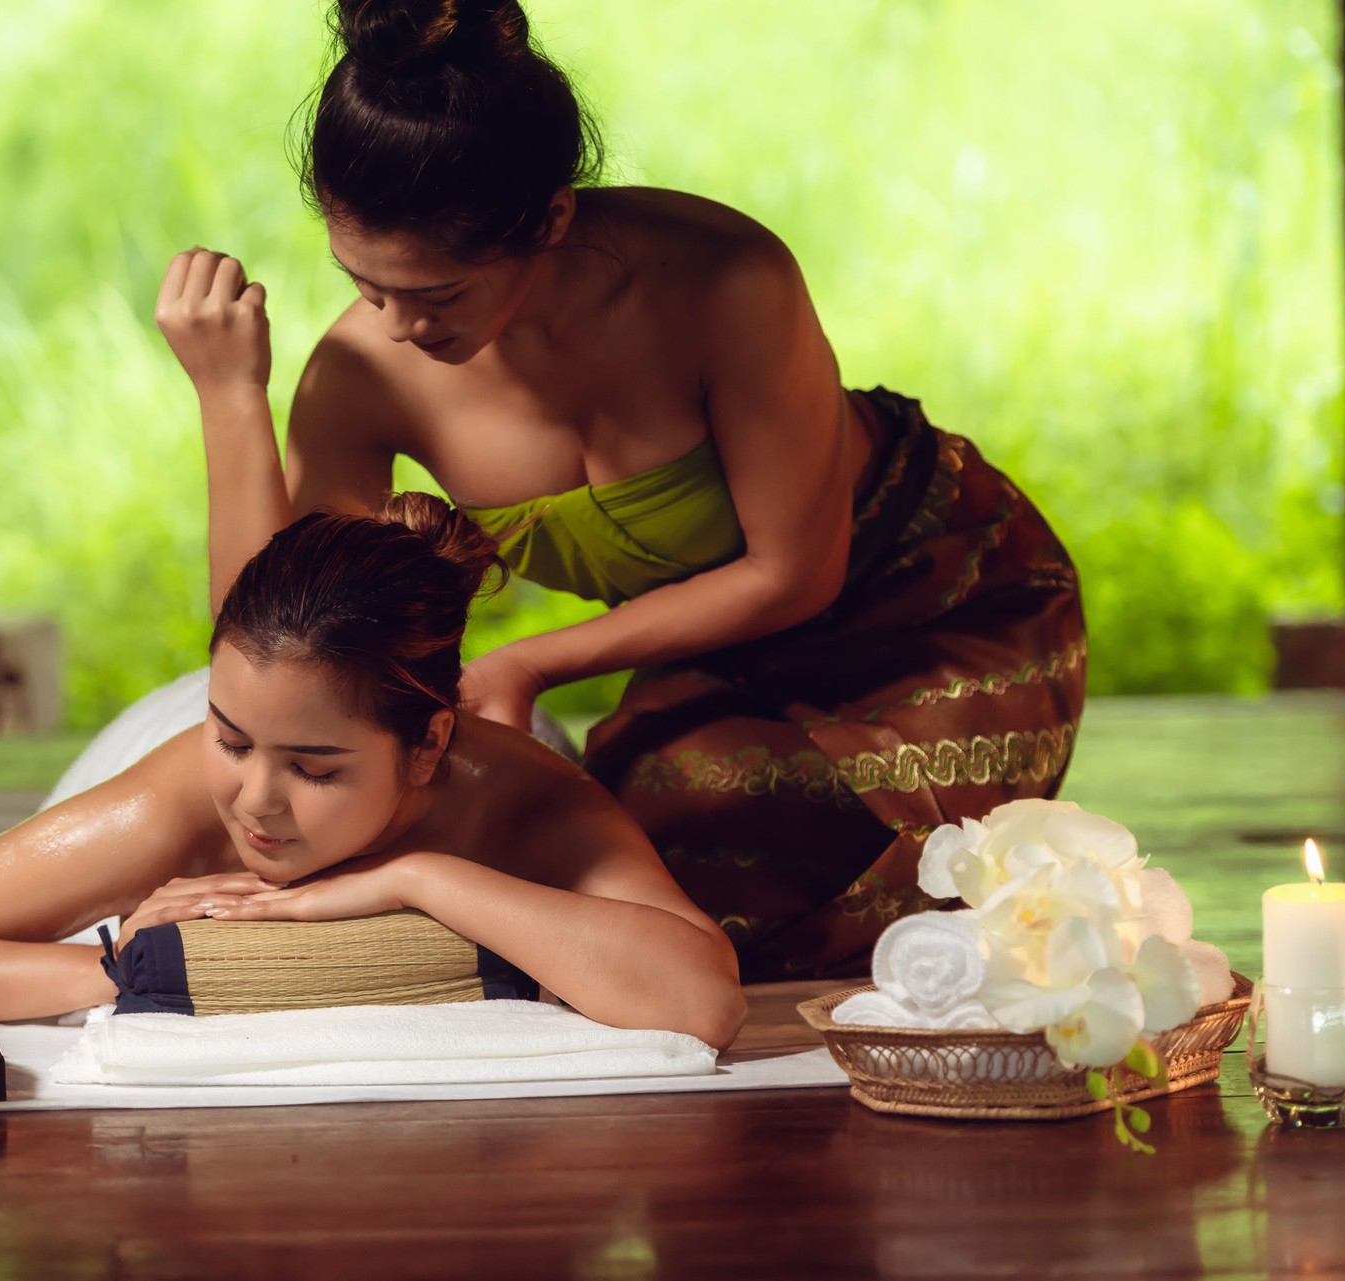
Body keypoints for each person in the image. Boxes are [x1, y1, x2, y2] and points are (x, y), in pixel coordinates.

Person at [154, 0, 1087, 981]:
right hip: (719, 653)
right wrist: (230, 397)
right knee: (617, 855)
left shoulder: (725, 282)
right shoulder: (365, 372)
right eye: (364, 284)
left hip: (936, 598)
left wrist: (527, 665)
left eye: (436, 296)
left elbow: (794, 573)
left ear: (550, 217)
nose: (396, 325)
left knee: (709, 879)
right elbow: (277, 643)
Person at [0, 493, 745, 1043]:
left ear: (430, 748)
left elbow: (703, 999)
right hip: (157, 739)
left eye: (314, 771)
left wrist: (417, 879)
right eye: (235, 743)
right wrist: (111, 968)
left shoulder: (528, 805)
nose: (256, 803)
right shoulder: (185, 800)